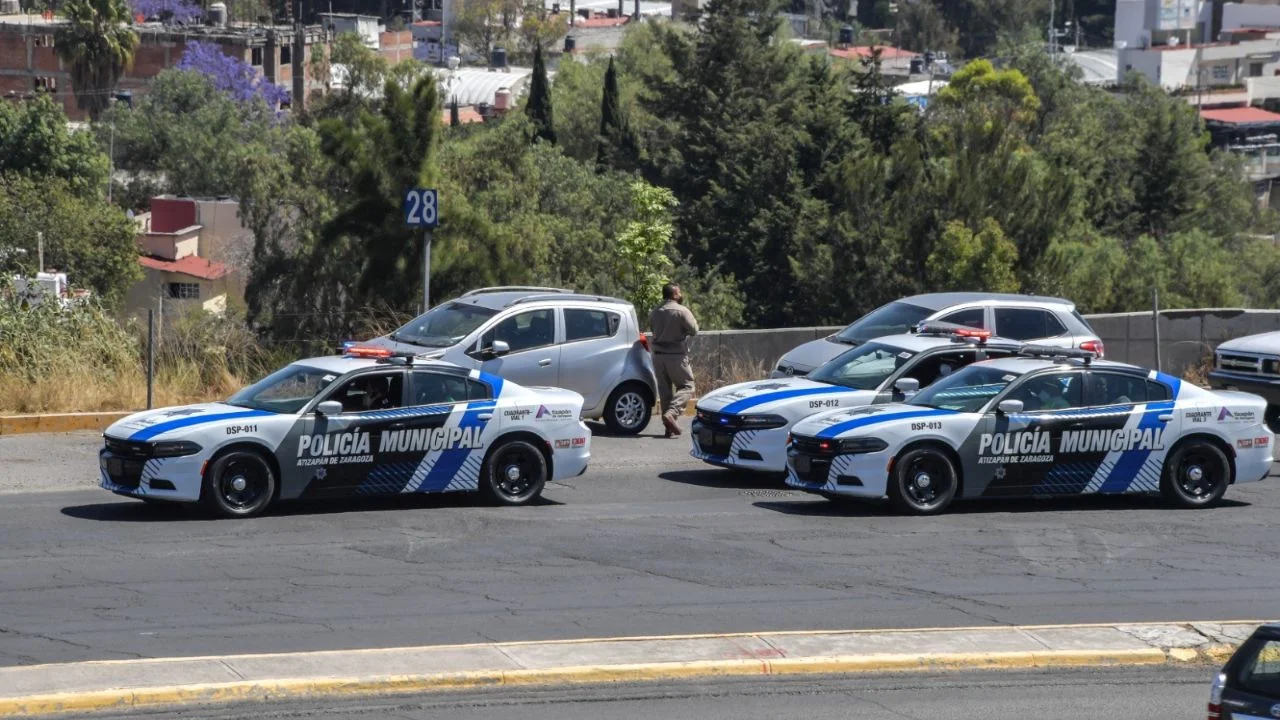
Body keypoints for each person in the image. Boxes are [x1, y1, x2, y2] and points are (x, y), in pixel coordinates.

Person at [648, 283, 699, 438]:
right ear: (674, 295)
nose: (681, 294)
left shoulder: (654, 312)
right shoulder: (682, 311)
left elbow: (653, 330)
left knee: (665, 392)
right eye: (679, 292)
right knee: (687, 386)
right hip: (676, 356)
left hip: (658, 356)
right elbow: (694, 330)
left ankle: (668, 428)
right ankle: (672, 413)